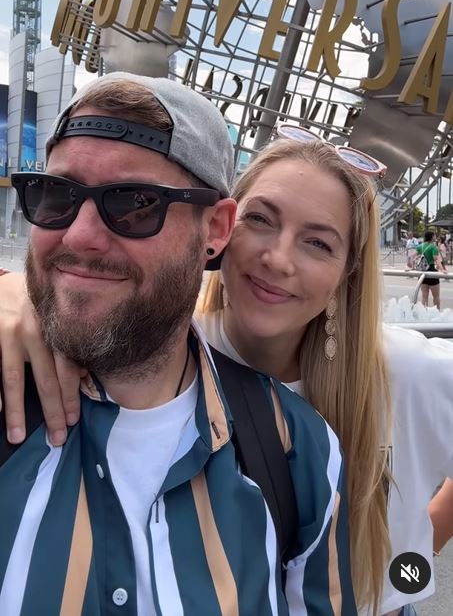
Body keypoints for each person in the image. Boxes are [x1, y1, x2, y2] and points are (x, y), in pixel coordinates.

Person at [3, 127, 453, 616]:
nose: (277, 259)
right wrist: (16, 292)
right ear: (221, 228)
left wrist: (416, 550)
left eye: (318, 244)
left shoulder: (406, 371)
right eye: (260, 220)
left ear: (348, 271)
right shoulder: (167, 353)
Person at [416, 229, 445, 309]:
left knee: (424, 296)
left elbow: (412, 256)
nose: (435, 237)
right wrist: (442, 269)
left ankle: (423, 314)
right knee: (436, 296)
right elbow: (436, 259)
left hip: (422, 273)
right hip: (432, 273)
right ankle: (437, 314)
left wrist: (410, 266)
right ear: (432, 237)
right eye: (434, 235)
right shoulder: (433, 247)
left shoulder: (419, 246)